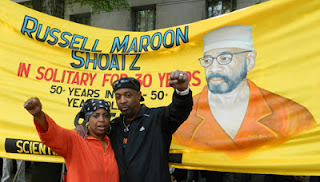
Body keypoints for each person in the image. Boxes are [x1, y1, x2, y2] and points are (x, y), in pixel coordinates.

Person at [173, 25, 316, 152]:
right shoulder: (185, 117)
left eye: (224, 58)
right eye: (208, 60)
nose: (214, 68)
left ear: (249, 61)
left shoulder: (291, 116)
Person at [76, 70, 193, 182]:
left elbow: (179, 111)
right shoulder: (114, 126)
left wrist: (182, 92)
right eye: (118, 97)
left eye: (128, 95)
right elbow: (95, 138)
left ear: (139, 95)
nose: (122, 101)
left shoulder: (157, 118)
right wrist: (83, 129)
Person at [24, 98, 119, 182]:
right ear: (87, 119)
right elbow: (54, 134)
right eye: (96, 116)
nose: (102, 119)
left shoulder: (114, 143)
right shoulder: (75, 140)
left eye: (106, 116)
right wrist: (39, 115)